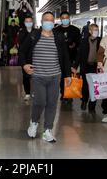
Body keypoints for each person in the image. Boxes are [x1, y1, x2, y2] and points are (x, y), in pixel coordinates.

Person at [19, 11, 71, 143]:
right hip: (38, 76)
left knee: (52, 103)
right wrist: (24, 65)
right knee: (40, 102)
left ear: (53, 22)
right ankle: (34, 122)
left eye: (51, 20)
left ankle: (48, 130)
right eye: (46, 20)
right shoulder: (34, 35)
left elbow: (65, 57)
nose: (48, 22)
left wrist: (68, 75)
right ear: (41, 22)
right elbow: (22, 52)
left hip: (55, 76)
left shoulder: (58, 37)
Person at [72, 24, 101, 113]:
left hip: (95, 67)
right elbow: (79, 55)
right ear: (90, 31)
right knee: (85, 86)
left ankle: (92, 106)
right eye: (94, 30)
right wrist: (75, 66)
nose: (96, 31)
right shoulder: (84, 41)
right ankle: (84, 101)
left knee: (95, 87)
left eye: (97, 30)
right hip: (86, 66)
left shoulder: (100, 41)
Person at [55, 11, 81, 103]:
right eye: (63, 18)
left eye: (67, 17)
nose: (65, 19)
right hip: (60, 58)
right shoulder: (56, 30)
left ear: (69, 18)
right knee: (62, 77)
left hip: (72, 57)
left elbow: (79, 46)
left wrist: (76, 63)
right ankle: (63, 93)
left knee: (70, 76)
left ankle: (69, 94)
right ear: (61, 19)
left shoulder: (76, 30)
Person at [18, 16, 35, 101]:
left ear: (32, 22)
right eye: (27, 21)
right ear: (24, 23)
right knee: (26, 77)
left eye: (30, 21)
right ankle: (27, 93)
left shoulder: (36, 31)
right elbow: (20, 45)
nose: (28, 23)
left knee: (36, 77)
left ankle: (35, 92)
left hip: (35, 58)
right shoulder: (21, 32)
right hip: (25, 58)